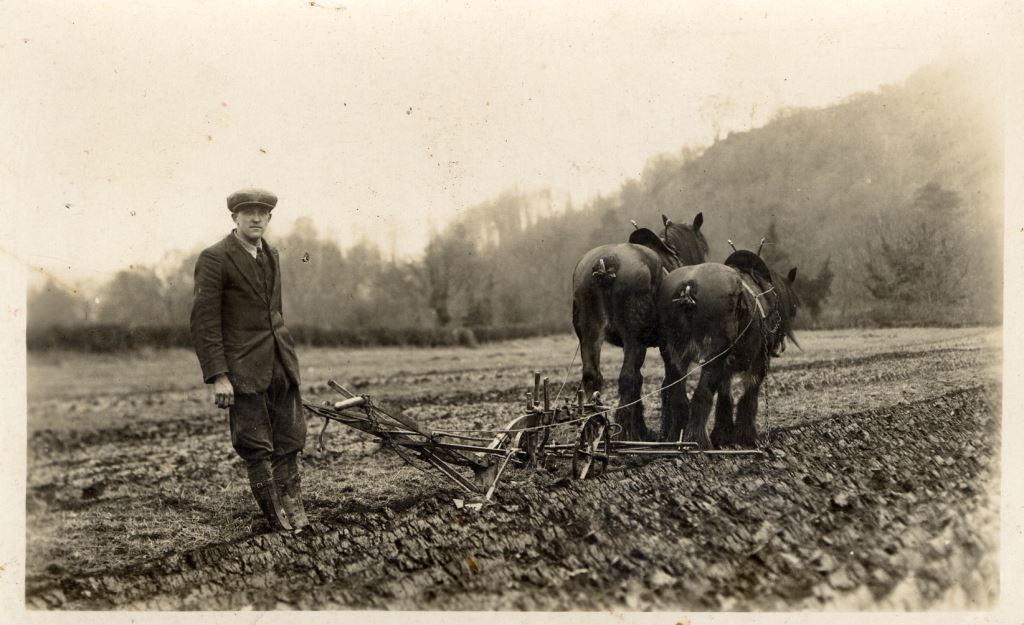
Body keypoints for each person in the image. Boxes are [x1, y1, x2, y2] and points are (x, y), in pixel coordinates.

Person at [189, 188, 309, 533]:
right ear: (235, 219)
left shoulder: (270, 254)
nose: (256, 218)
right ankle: (276, 520)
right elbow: (204, 321)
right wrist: (219, 376)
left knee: (290, 439)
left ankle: (296, 513)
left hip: (280, 363)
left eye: (262, 213)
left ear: (269, 218)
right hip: (243, 370)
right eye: (248, 213)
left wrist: (286, 358)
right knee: (256, 445)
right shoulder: (215, 258)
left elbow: (275, 313)